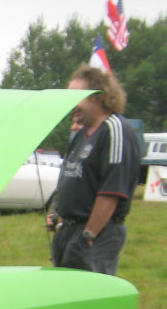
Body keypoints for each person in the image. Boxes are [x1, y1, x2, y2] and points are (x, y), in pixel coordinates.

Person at [46, 65, 140, 277]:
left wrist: (88, 236)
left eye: (76, 97)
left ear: (97, 97)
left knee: (86, 299)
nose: (71, 106)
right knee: (63, 296)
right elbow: (68, 179)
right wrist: (57, 214)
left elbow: (112, 192)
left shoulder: (115, 131)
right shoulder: (81, 134)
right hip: (68, 231)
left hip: (96, 233)